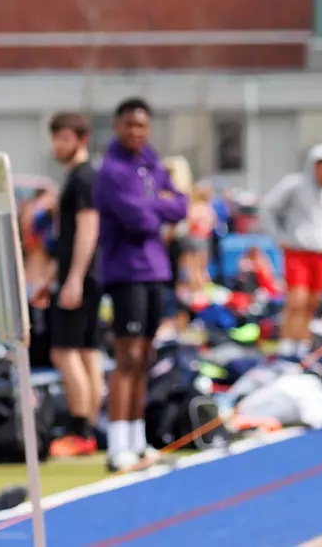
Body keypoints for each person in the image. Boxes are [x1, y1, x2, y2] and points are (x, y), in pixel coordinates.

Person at [93, 97, 188, 472]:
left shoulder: (150, 161)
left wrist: (156, 202)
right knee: (126, 357)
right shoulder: (111, 170)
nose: (136, 132)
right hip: (126, 271)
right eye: (129, 124)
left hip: (156, 271)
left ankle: (137, 440)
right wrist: (157, 203)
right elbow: (138, 220)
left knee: (146, 357)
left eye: (142, 125)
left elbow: (180, 206)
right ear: (117, 126)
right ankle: (118, 445)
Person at [45, 112, 103, 459]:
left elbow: (87, 229)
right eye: (56, 138)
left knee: (64, 351)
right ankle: (90, 427)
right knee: (85, 351)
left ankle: (80, 428)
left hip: (82, 276)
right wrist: (53, 277)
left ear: (82, 139)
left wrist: (74, 278)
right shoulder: (77, 177)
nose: (58, 145)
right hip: (78, 274)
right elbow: (65, 237)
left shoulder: (84, 178)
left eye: (65, 138)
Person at [264, 144, 322, 358]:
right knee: (297, 299)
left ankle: (302, 342)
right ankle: (287, 342)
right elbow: (268, 207)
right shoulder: (295, 185)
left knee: (313, 301)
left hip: (321, 252)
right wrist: (280, 236)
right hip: (298, 250)